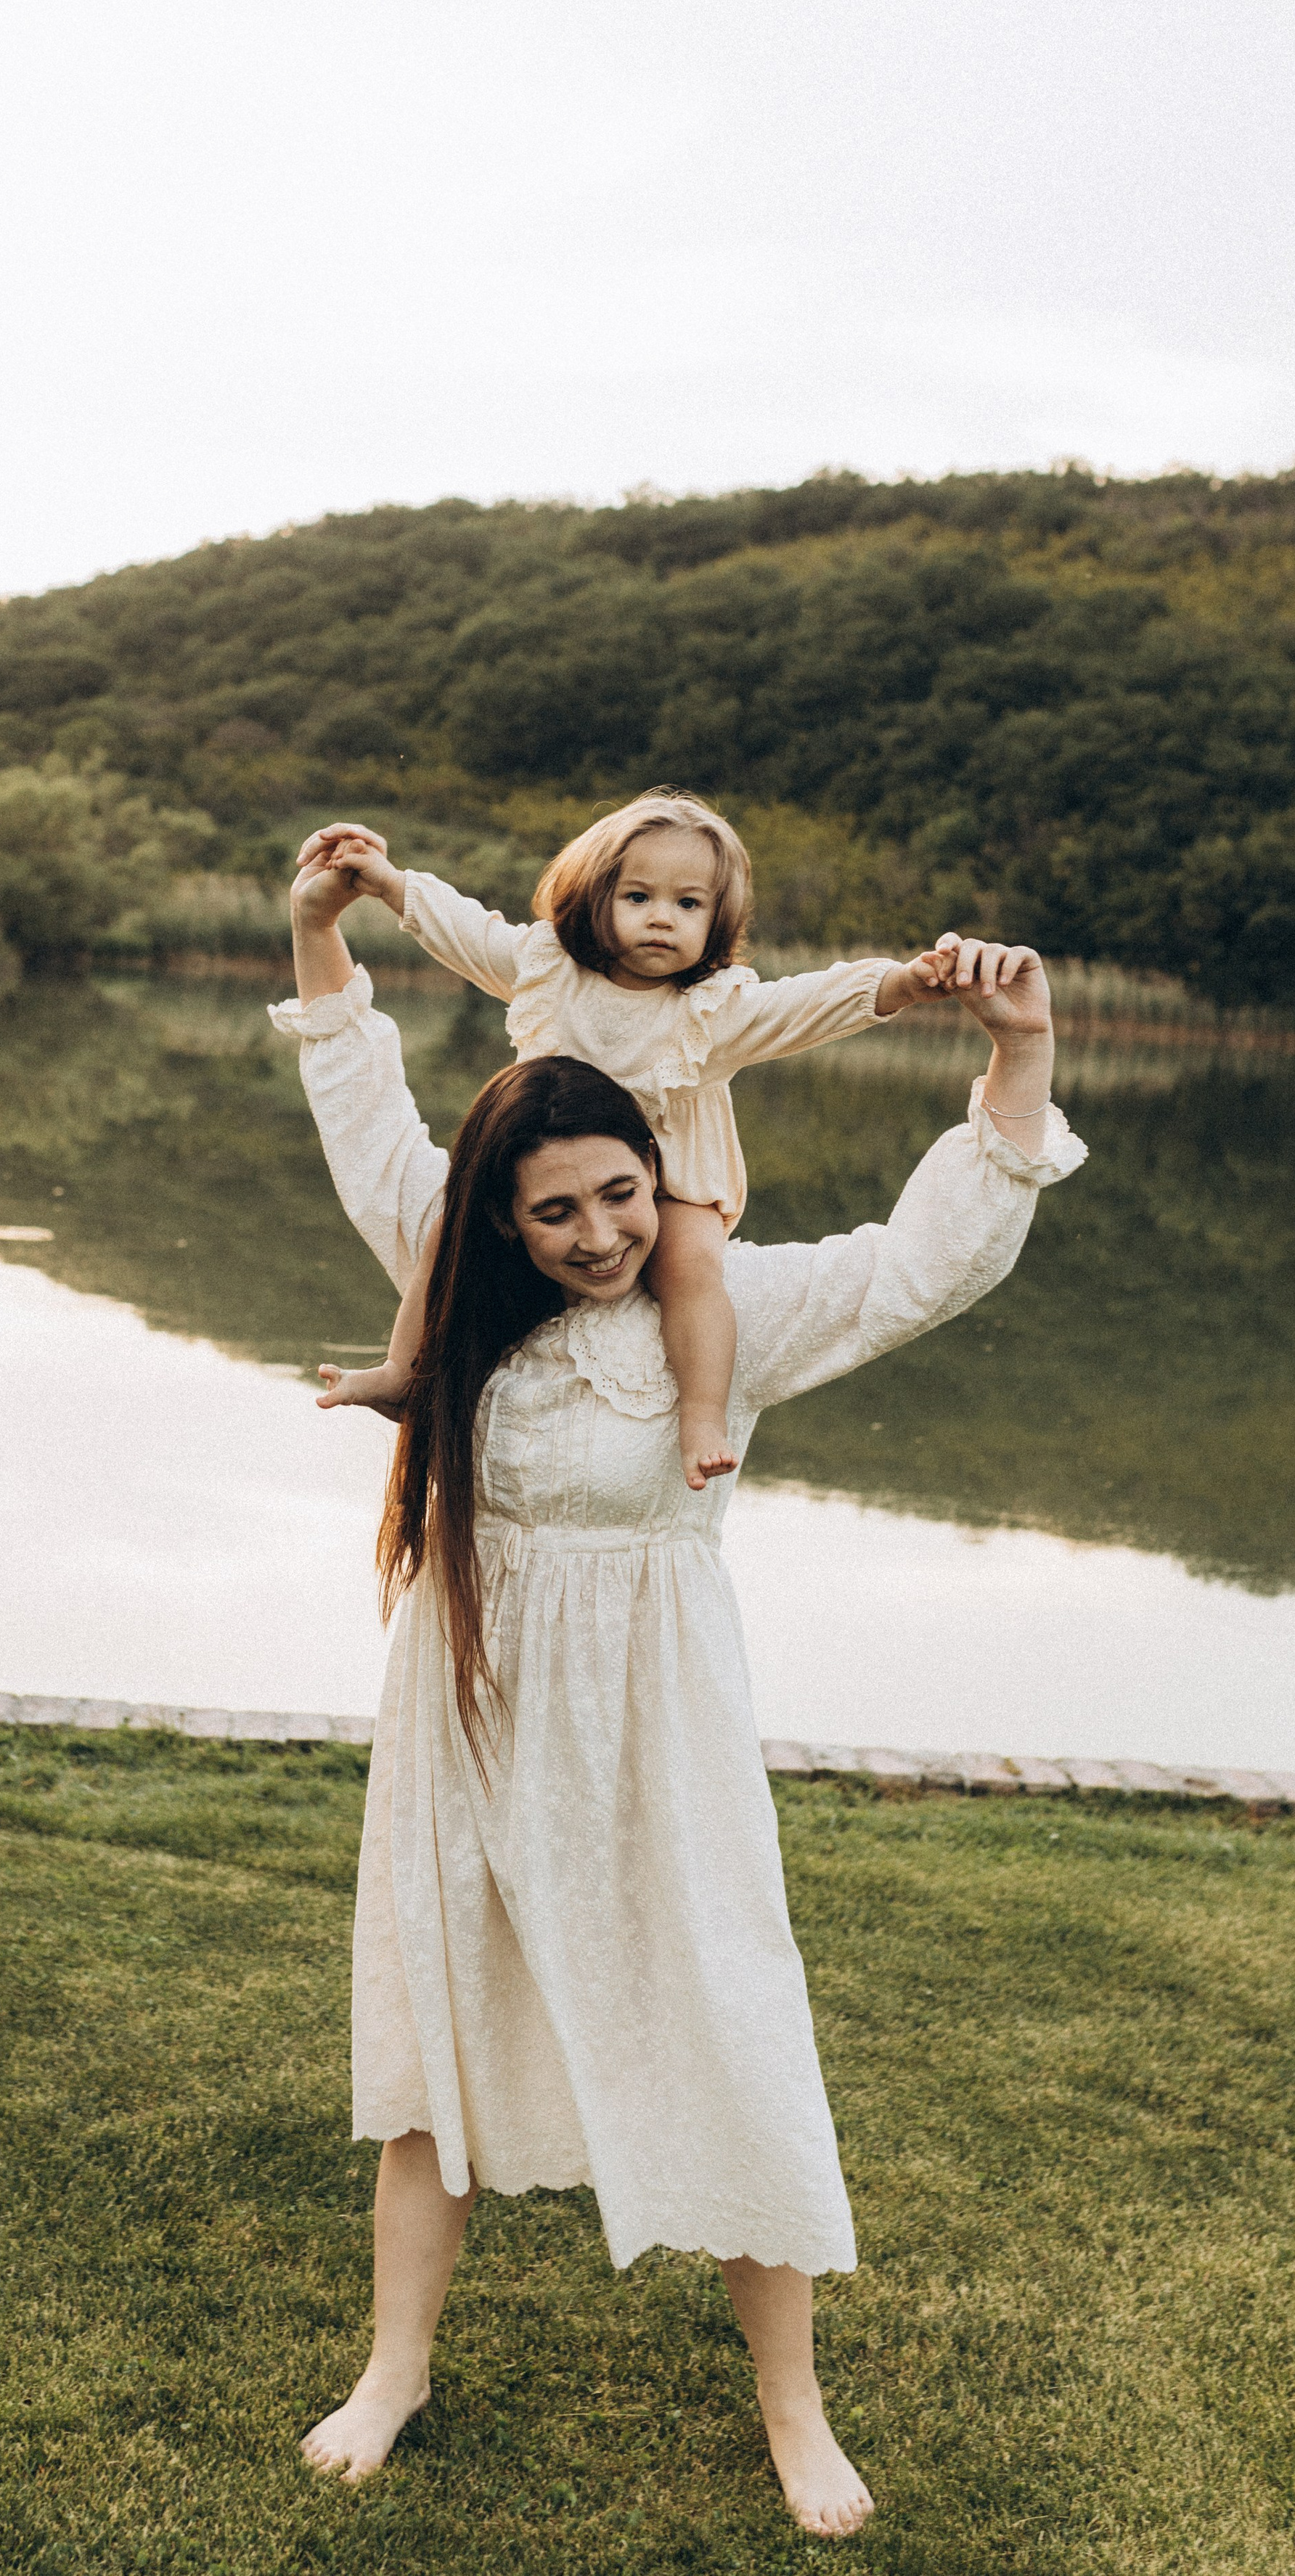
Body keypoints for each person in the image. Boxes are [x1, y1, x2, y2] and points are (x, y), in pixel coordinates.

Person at [271, 842, 1084, 2538]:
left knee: (722, 2018)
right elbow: (359, 1110)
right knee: (437, 2036)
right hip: (473, 1711)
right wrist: (312, 934)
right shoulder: (447, 1279)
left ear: (662, 1173)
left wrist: (1014, 1056)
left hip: (659, 1724)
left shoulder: (729, 1309)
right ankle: (391, 2368)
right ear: (498, 1215)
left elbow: (921, 1261)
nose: (596, 1234)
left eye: (621, 1194)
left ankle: (792, 2404)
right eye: (552, 1209)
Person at [293, 794, 960, 1491]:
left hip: (673, 1186)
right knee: (446, 1236)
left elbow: (807, 1004)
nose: (662, 918)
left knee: (694, 1275)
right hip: (547, 1170)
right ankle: (406, 1373)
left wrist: (903, 984)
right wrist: (386, 882)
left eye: (690, 904)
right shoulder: (548, 969)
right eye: (638, 896)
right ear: (596, 897)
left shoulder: (714, 1012)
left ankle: (702, 1417)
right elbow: (468, 931)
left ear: (718, 918)